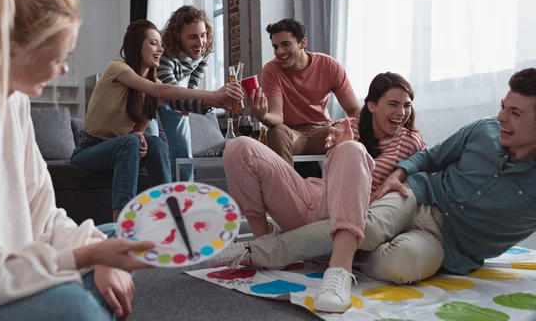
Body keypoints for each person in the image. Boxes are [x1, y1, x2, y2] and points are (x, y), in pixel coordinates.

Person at [0, 0, 157, 320]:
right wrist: (87, 257)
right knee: (78, 307)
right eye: (58, 58)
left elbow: (44, 215)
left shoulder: (14, 103)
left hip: (16, 267)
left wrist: (98, 252)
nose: (63, 70)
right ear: (12, 49)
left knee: (111, 237)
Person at [214, 68, 536, 313]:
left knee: (399, 265)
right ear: (371, 105)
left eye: (515, 113)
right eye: (503, 107)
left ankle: (341, 255)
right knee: (361, 226)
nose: (501, 117)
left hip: (445, 241)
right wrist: (392, 169)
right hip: (414, 196)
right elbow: (432, 159)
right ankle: (263, 250)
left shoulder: (409, 138)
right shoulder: (483, 130)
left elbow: (421, 153)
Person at [220, 72, 424, 313]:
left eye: (407, 105)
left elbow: (426, 166)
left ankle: (340, 271)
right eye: (393, 104)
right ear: (371, 105)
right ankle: (262, 236)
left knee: (352, 149)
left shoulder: (410, 141)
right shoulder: (348, 127)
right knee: (239, 147)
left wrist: (397, 173)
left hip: (347, 218)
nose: (401, 113)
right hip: (313, 198)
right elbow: (334, 171)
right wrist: (340, 145)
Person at [72, 20, 242, 222]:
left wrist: (217, 102)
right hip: (89, 151)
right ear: (137, 45)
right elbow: (158, 91)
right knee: (132, 142)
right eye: (154, 43)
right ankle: (123, 221)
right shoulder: (116, 68)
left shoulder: (155, 86)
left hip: (122, 150)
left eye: (160, 44)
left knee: (153, 142)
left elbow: (145, 124)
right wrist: (213, 94)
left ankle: (169, 211)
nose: (161, 49)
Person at [247, 18, 361, 166]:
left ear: (303, 43)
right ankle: (287, 187)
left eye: (285, 44)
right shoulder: (271, 70)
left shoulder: (329, 65)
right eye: (275, 46)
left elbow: (354, 110)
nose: (279, 52)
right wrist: (262, 115)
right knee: (276, 132)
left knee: (347, 131)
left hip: (322, 132)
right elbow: (277, 116)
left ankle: (347, 187)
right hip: (292, 134)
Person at [149, 5, 226, 181]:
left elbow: (197, 73)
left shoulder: (204, 49)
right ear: (177, 37)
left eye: (203, 35)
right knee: (153, 145)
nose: (200, 42)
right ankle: (159, 196)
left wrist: (190, 97)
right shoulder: (164, 56)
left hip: (171, 90)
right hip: (147, 97)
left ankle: (186, 194)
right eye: (192, 37)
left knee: (183, 149)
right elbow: (172, 95)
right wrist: (211, 99)